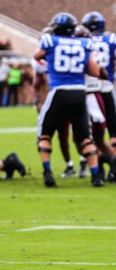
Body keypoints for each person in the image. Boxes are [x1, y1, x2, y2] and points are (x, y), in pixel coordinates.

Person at [34, 12, 106, 187]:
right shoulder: (84, 43)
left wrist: (50, 55)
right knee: (84, 137)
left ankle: (47, 172)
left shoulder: (50, 41)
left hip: (58, 91)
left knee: (45, 134)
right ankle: (96, 176)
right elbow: (95, 72)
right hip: (79, 92)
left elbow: (37, 56)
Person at [81, 11, 116, 184]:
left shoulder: (82, 40)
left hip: (87, 92)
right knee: (115, 131)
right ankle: (115, 170)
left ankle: (95, 168)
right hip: (106, 89)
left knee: (88, 132)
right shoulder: (112, 40)